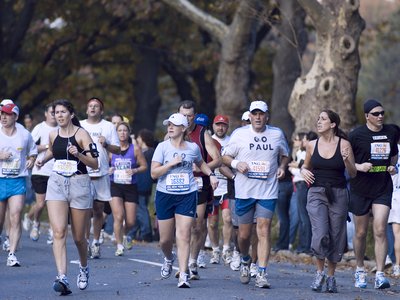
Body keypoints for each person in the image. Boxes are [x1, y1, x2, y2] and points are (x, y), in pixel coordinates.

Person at [222, 100, 290, 288]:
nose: (258, 117)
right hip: (244, 191)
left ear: (267, 116)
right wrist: (237, 164)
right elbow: (225, 157)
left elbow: (285, 154)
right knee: (244, 236)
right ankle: (245, 260)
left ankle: (262, 272)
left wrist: (282, 167)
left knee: (263, 229)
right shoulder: (239, 134)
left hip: (267, 190)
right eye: (255, 114)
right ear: (250, 116)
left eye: (262, 114)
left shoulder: (276, 134)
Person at [35, 99, 98, 295]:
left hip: (79, 184)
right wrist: (41, 159)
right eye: (56, 112)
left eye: (63, 112)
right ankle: (62, 276)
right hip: (56, 183)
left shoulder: (82, 134)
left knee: (79, 238)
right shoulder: (53, 134)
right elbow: (54, 151)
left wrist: (79, 154)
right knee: (59, 232)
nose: (59, 115)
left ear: (71, 114)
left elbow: (95, 163)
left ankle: (83, 267)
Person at [152, 113, 218, 288]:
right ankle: (168, 258)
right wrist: (170, 164)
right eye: (168, 125)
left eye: (174, 125)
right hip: (165, 194)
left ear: (183, 128)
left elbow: (201, 162)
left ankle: (183, 275)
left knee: (184, 234)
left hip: (187, 194)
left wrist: (211, 175)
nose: (170, 127)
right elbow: (153, 173)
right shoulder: (162, 147)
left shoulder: (193, 148)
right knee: (165, 240)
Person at [301, 110, 357, 293]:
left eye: (323, 119)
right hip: (316, 192)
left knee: (336, 235)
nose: (318, 121)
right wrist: (303, 171)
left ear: (333, 124)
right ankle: (319, 273)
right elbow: (306, 166)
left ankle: (331, 276)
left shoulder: (344, 144)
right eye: (318, 119)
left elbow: (353, 173)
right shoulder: (311, 145)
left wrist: (347, 160)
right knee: (320, 234)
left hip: (339, 193)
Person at [349, 99, 398, 290]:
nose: (380, 117)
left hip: (382, 187)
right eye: (376, 114)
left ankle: (379, 273)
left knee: (379, 229)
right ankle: (360, 269)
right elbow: (348, 161)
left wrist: (392, 166)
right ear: (367, 116)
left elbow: (393, 155)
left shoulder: (391, 132)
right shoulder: (356, 135)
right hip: (360, 188)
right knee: (360, 232)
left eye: (382, 113)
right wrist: (359, 166)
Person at [178, 100, 221, 279]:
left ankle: (192, 261)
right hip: (178, 185)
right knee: (181, 227)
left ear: (194, 116)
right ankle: (182, 261)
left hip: (199, 184)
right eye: (184, 115)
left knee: (197, 225)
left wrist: (201, 167)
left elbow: (218, 159)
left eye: (190, 116)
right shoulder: (173, 132)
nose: (186, 119)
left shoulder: (202, 133)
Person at [81, 97, 120, 259]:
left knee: (98, 210)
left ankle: (96, 242)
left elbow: (117, 149)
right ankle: (84, 242)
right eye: (90, 106)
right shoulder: (80, 125)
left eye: (96, 106)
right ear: (86, 109)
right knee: (84, 211)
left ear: (101, 111)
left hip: (101, 173)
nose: (93, 108)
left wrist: (106, 145)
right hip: (83, 173)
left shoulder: (108, 126)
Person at [0, 103, 37, 267]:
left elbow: (33, 152)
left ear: (15, 116)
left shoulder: (24, 134)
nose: (3, 117)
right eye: (1, 114)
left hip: (17, 181)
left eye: (7, 114)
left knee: (15, 216)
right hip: (0, 179)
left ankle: (12, 254)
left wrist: (31, 160)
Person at [109, 122, 147, 256]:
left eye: (125, 130)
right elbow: (103, 165)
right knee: (118, 216)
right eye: (120, 130)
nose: (122, 133)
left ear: (128, 132)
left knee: (130, 221)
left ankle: (123, 235)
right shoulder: (111, 150)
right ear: (116, 133)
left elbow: (144, 166)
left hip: (130, 186)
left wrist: (135, 169)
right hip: (115, 185)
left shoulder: (135, 149)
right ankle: (119, 245)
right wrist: (109, 169)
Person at [22, 103, 57, 244]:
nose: (55, 114)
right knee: (41, 204)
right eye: (52, 112)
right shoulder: (40, 128)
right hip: (40, 170)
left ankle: (52, 231)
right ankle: (34, 221)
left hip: (57, 171)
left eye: (57, 112)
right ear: (46, 114)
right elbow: (30, 146)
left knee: (53, 203)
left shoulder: (62, 128)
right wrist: (48, 146)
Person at [209, 114, 234, 264]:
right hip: (212, 185)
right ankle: (215, 250)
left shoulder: (232, 141)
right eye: (218, 124)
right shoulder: (208, 141)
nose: (220, 128)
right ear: (213, 125)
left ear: (227, 127)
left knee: (228, 219)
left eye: (223, 125)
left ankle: (226, 250)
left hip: (227, 184)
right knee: (212, 223)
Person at [130, 129, 156, 242]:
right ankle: (134, 232)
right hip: (142, 184)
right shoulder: (147, 152)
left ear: (144, 139)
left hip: (142, 184)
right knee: (138, 208)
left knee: (141, 208)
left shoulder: (149, 152)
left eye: (139, 138)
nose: (137, 140)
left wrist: (133, 143)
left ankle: (146, 233)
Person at [289, 132, 312, 255]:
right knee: (302, 217)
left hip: (303, 185)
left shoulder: (305, 154)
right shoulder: (299, 153)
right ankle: (302, 245)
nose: (302, 142)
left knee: (304, 217)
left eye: (304, 139)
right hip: (299, 185)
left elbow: (303, 172)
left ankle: (305, 246)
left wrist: (293, 169)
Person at [387, 124, 400, 277]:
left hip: (391, 191)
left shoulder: (389, 151)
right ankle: (396, 264)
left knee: (393, 231)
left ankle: (395, 264)